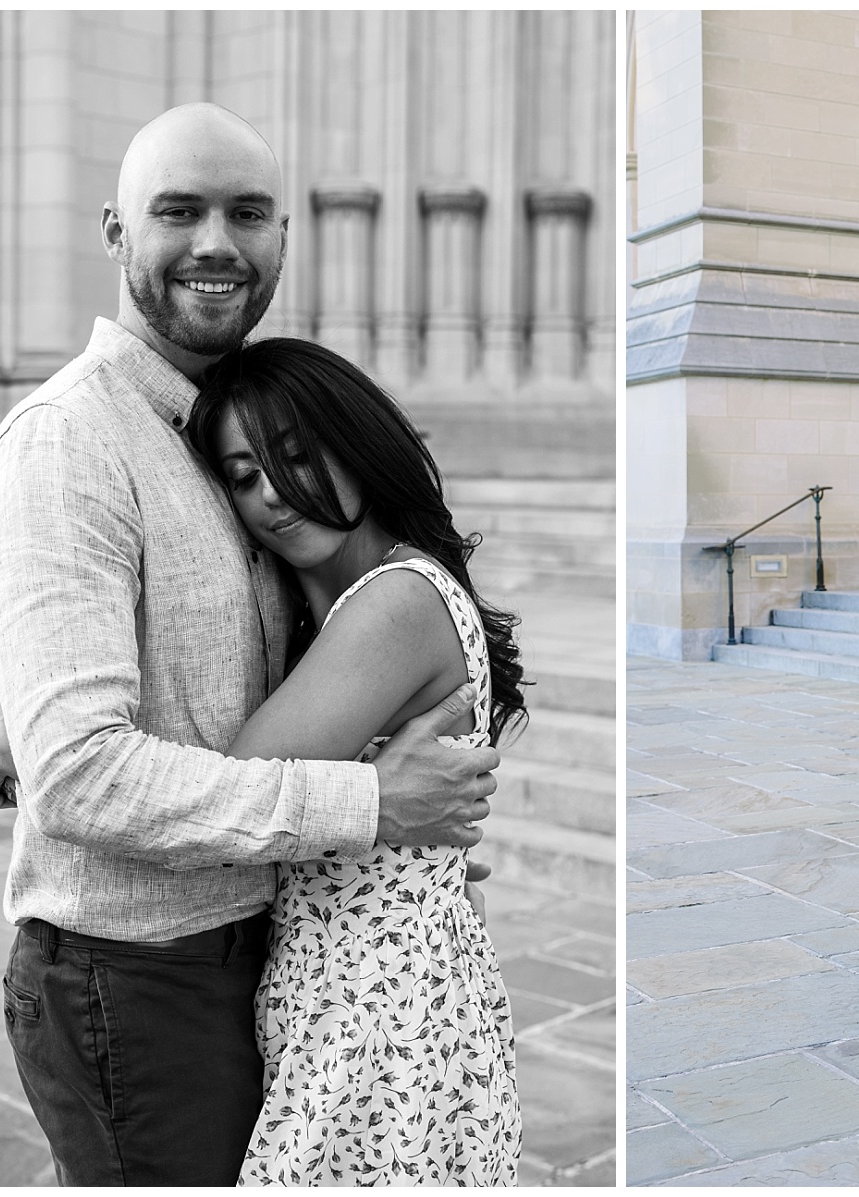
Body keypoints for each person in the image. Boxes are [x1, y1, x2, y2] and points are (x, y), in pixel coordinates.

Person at [0, 103, 498, 1186]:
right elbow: (81, 778)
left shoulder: (212, 429)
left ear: (283, 239)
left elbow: (207, 671)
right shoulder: (69, 444)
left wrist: (27, 716)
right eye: (180, 210)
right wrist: (374, 809)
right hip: (138, 976)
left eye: (247, 213)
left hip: (249, 958)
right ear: (117, 233)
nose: (217, 241)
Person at [191, 339, 524, 1184]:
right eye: (240, 474)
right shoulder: (344, 607)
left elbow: (231, 797)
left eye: (295, 456)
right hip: (364, 989)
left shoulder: (395, 602)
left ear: (357, 444)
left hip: (377, 1009)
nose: (269, 492)